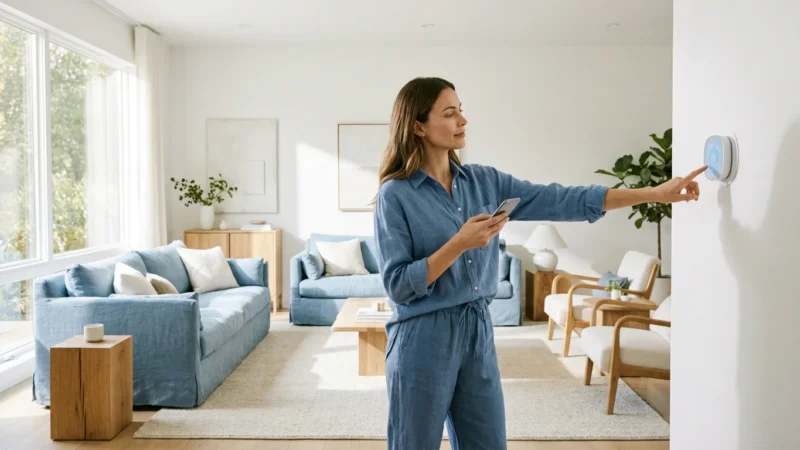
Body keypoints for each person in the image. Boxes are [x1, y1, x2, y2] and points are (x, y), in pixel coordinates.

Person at [373, 76, 704, 450]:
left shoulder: (485, 182)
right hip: (422, 337)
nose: (462, 121)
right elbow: (399, 285)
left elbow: (563, 199)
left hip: (477, 329)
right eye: (449, 114)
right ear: (418, 126)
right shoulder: (395, 195)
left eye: (461, 111)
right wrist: (460, 244)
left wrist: (655, 193)